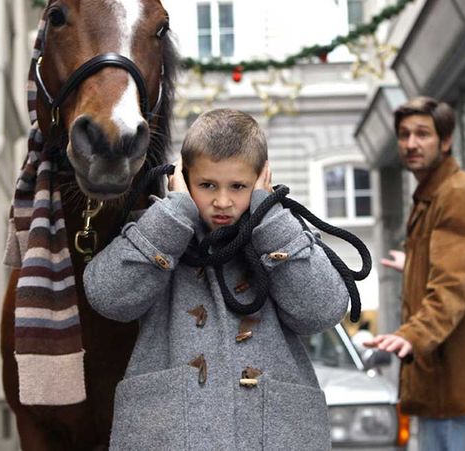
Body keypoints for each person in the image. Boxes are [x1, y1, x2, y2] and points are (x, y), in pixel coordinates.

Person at [83, 108, 349, 450]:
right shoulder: (160, 230)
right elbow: (106, 296)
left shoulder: (280, 233)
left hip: (272, 435)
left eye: (238, 186)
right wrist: (172, 214)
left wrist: (271, 221)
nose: (222, 202)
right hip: (170, 434)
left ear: (261, 180)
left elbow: (323, 311)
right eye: (207, 185)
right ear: (182, 177)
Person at [364, 96, 465, 450]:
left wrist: (413, 334)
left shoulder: (454, 193)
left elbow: (453, 285)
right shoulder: (437, 192)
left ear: (446, 140)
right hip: (443, 367)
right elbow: (458, 263)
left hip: (451, 369)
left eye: (422, 134)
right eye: (404, 134)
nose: (411, 144)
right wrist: (415, 266)